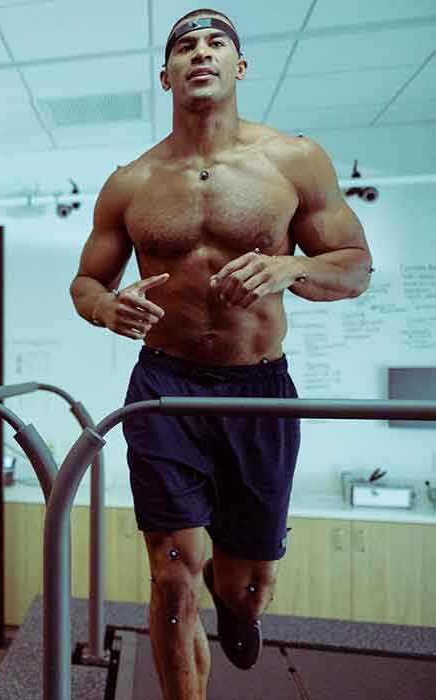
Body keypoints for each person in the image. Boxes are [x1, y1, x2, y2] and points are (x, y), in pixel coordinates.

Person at [69, 8, 371, 700]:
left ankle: (235, 605)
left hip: (259, 390)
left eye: (216, 44)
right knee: (174, 573)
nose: (199, 53)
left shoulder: (295, 160)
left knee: (245, 582)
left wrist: (290, 270)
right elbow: (86, 281)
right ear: (165, 74)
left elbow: (354, 268)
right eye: (184, 47)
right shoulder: (131, 182)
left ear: (239, 68)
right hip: (164, 387)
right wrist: (106, 307)